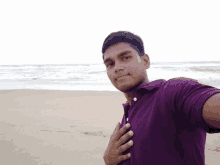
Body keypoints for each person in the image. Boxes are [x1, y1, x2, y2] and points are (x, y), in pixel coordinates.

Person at [101, 31, 220, 165]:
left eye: (125, 57)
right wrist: (110, 162)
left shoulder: (171, 91)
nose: (117, 67)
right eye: (110, 64)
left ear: (145, 61)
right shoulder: (129, 112)